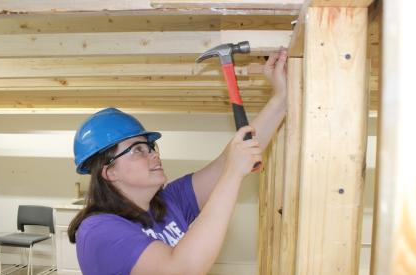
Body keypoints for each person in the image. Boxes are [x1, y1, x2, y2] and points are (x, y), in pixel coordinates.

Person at [68, 49, 288, 275]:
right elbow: (181, 270)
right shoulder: (99, 231)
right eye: (138, 150)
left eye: (150, 147)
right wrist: (233, 174)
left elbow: (231, 159)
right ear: (109, 172)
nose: (154, 154)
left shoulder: (169, 202)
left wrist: (282, 98)